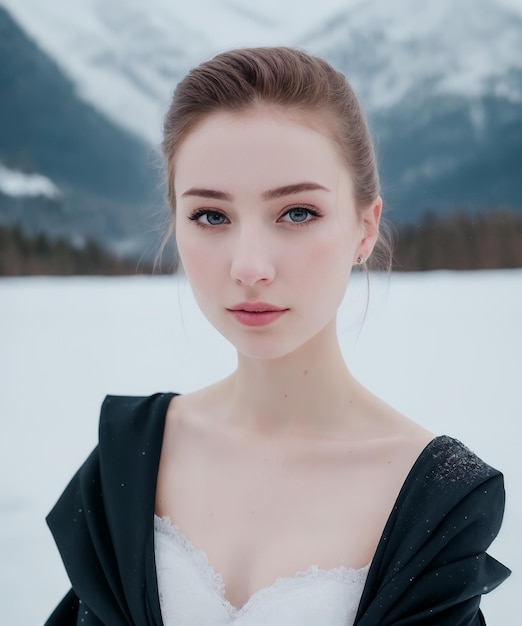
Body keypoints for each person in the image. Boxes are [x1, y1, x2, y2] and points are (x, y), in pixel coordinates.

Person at [45, 47, 510, 625]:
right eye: (211, 216)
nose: (249, 266)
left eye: (297, 213)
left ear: (365, 228)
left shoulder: (434, 501)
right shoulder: (128, 460)